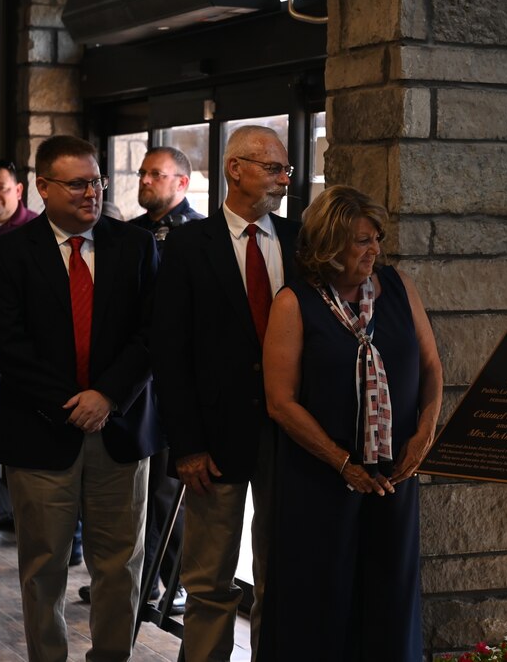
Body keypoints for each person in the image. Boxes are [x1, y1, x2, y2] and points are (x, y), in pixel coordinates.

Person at [0, 136, 160, 661]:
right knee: (43, 568)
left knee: (120, 566)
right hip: (40, 432)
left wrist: (106, 395)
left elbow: (153, 333)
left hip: (121, 430)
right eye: (78, 183)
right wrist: (72, 403)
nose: (92, 192)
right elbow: (9, 346)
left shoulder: (135, 246)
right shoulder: (8, 253)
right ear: (42, 187)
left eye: (98, 180)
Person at [260, 185, 442, 661]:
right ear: (329, 244)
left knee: (391, 598)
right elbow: (281, 403)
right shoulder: (294, 303)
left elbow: (431, 368)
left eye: (376, 239)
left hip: (393, 476)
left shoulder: (399, 287)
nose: (374, 250)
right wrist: (343, 463)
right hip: (320, 481)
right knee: (322, 602)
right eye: (362, 240)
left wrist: (424, 435)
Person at [152, 125, 299, 662]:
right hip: (213, 442)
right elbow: (170, 353)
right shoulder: (190, 244)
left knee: (281, 574)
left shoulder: (299, 239)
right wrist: (187, 445)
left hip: (291, 436)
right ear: (235, 169)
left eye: (286, 169)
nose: (285, 179)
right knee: (210, 579)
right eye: (273, 168)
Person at [80, 146, 202, 611]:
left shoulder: (197, 235)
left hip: (173, 380)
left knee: (168, 491)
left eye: (158, 174)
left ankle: (174, 582)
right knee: (133, 495)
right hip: (129, 383)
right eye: (144, 172)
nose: (146, 179)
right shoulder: (127, 235)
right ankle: (134, 579)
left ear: (182, 183)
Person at [0, 159, 37, 541]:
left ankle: (52, 533)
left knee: (33, 444)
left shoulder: (37, 231)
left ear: (19, 190)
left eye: (2, 187)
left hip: (29, 354)